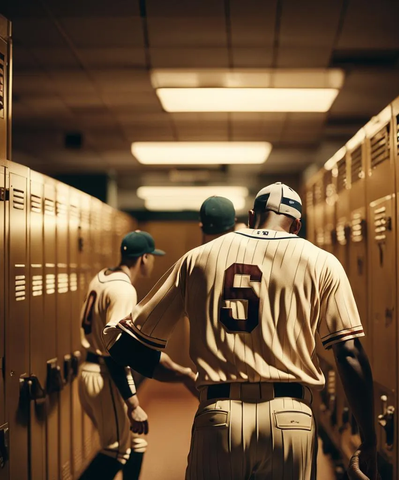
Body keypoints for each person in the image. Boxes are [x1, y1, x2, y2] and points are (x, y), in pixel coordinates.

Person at [103, 183, 379, 480]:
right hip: (292, 417)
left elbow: (124, 345)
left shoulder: (198, 258)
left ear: (251, 216)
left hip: (219, 415)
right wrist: (369, 441)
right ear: (297, 225)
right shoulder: (323, 262)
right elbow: (348, 354)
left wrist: (181, 374)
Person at [79, 230, 196, 480]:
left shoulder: (102, 277)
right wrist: (133, 404)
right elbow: (116, 350)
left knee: (136, 444)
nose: (152, 261)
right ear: (143, 258)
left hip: (90, 371)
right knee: (116, 452)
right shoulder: (124, 290)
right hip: (105, 375)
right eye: (152, 256)